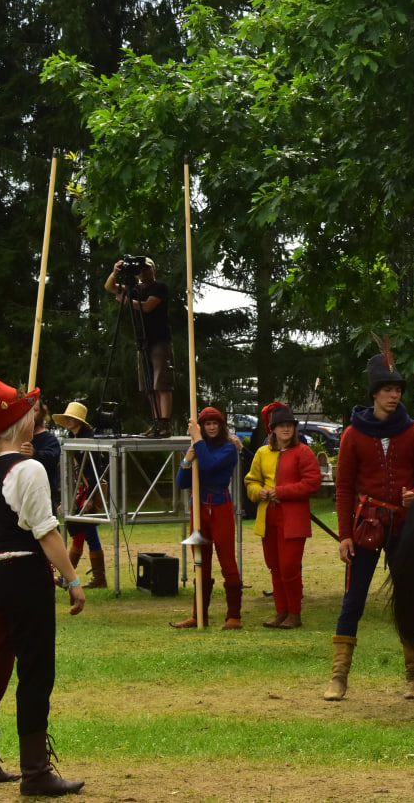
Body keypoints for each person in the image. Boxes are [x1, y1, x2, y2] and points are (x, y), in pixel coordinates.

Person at [0, 359, 85, 795]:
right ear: (23, 423)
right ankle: (35, 773)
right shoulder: (29, 469)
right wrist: (72, 580)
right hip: (25, 576)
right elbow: (46, 532)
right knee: (35, 670)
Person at [327, 349, 414, 700]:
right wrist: (344, 536)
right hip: (366, 526)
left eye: (398, 389)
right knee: (353, 600)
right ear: (374, 393)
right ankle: (338, 678)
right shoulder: (352, 434)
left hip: (405, 527)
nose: (394, 395)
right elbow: (344, 488)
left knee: (410, 598)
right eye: (388, 389)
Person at [245, 402, 321, 630]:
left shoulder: (303, 452)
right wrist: (258, 492)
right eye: (281, 426)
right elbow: (251, 481)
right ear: (273, 430)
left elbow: (312, 483)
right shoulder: (262, 453)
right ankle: (281, 612)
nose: (286, 429)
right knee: (275, 567)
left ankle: (294, 614)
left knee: (289, 567)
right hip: (268, 517)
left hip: (293, 519)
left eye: (289, 425)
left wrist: (281, 492)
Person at [172, 407, 242, 629]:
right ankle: (198, 615)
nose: (211, 427)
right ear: (202, 426)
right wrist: (186, 460)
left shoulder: (228, 448)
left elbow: (210, 464)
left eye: (215, 423)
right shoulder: (198, 446)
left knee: (227, 561)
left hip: (220, 508)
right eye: (207, 424)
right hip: (199, 509)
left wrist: (198, 439)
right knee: (200, 563)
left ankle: (234, 616)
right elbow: (182, 482)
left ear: (221, 426)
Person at [104, 256, 174, 437]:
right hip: (143, 341)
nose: (143, 272)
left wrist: (127, 301)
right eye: (140, 269)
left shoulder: (159, 287)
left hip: (159, 340)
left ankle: (164, 423)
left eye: (146, 268)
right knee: (150, 385)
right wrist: (115, 272)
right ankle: (156, 422)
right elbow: (110, 287)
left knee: (162, 383)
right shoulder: (135, 289)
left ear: (154, 270)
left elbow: (148, 306)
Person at [52, 402, 109, 589]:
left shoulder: (89, 439)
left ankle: (69, 578)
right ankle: (92, 578)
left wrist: (91, 496)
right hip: (77, 491)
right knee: (84, 532)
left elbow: (95, 470)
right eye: (67, 418)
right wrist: (66, 500)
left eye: (71, 418)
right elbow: (69, 473)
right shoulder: (71, 438)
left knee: (83, 532)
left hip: (87, 491)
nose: (68, 421)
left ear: (79, 420)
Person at [21, 401, 61, 515]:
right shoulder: (16, 438)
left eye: (34, 410)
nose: (30, 415)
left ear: (42, 413)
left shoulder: (50, 440)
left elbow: (52, 458)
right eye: (27, 410)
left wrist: (35, 454)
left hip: (43, 497)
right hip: (19, 496)